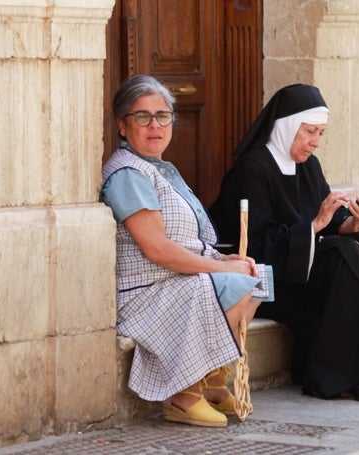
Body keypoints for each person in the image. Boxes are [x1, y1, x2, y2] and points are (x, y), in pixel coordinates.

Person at [209, 83, 359, 404]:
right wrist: (315, 225)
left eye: (320, 134)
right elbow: (255, 246)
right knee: (343, 254)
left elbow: (332, 224)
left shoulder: (308, 166)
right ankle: (339, 376)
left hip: (303, 272)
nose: (315, 142)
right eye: (309, 132)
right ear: (287, 128)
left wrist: (354, 220)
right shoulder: (252, 171)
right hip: (270, 282)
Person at [101, 75, 272, 427]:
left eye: (163, 116)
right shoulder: (128, 174)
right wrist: (221, 271)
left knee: (259, 275)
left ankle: (210, 379)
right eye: (142, 117)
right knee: (232, 283)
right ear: (122, 125)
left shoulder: (159, 169)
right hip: (146, 293)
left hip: (173, 281)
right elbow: (157, 249)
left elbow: (188, 241)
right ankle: (183, 392)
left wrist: (225, 259)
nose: (155, 126)